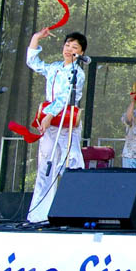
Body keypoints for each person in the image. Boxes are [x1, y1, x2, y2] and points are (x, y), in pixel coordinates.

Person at [25, 28, 88, 223]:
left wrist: (49, 115)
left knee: (73, 162)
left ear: (81, 52)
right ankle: (39, 214)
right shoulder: (54, 68)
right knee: (45, 165)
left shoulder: (77, 73)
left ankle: (75, 211)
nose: (69, 49)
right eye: (67, 45)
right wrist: (36, 38)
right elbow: (33, 62)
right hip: (50, 123)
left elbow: (64, 96)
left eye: (74, 47)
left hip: (66, 122)